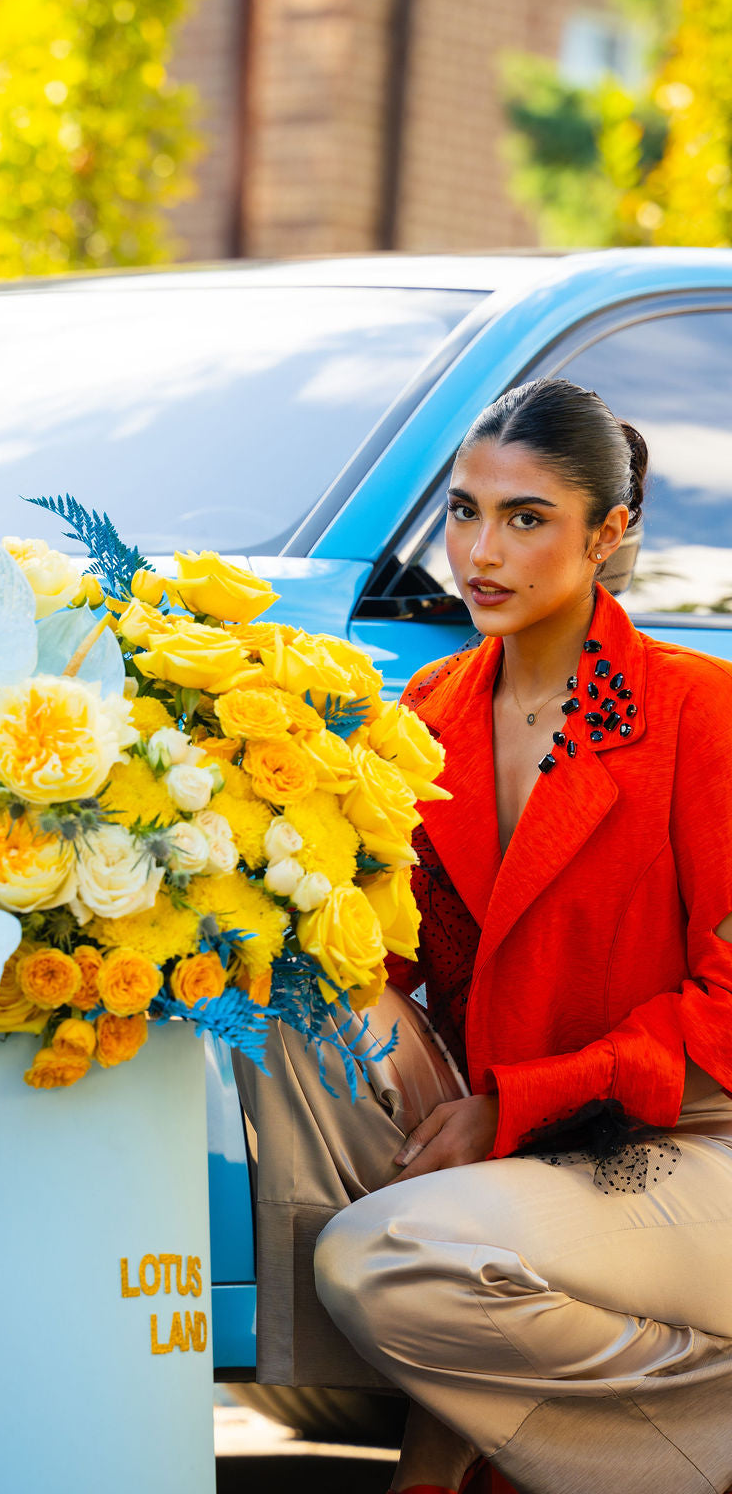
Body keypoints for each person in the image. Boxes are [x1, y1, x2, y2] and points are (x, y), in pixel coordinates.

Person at [235, 377, 732, 1494]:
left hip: (695, 1142)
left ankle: (537, 1446)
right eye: (463, 511)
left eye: (526, 518)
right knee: (297, 1000)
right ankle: (466, 1411)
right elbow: (387, 959)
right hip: (525, 1150)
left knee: (383, 1261)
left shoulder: (703, 714)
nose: (480, 553)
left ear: (608, 534)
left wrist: (521, 1104)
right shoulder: (428, 713)